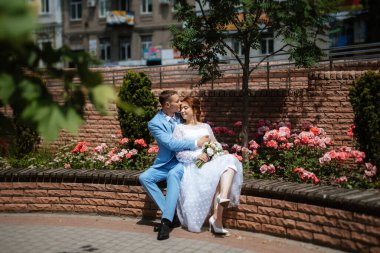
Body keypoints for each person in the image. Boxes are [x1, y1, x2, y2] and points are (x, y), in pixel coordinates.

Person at [139, 90, 210, 241]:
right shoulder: (154, 123)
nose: (180, 104)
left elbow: (193, 122)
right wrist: (196, 143)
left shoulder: (180, 115)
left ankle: (166, 222)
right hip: (164, 162)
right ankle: (171, 215)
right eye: (177, 101)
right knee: (144, 177)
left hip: (181, 161)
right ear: (167, 104)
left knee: (173, 175)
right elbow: (171, 144)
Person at [173, 97, 243, 235]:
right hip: (193, 166)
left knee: (230, 160)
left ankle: (222, 199)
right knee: (221, 176)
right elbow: (179, 153)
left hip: (209, 162)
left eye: (185, 108)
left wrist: (218, 152)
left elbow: (215, 144)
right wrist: (197, 156)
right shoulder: (179, 128)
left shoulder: (206, 127)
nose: (182, 111)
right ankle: (217, 220)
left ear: (195, 109)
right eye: (181, 109)